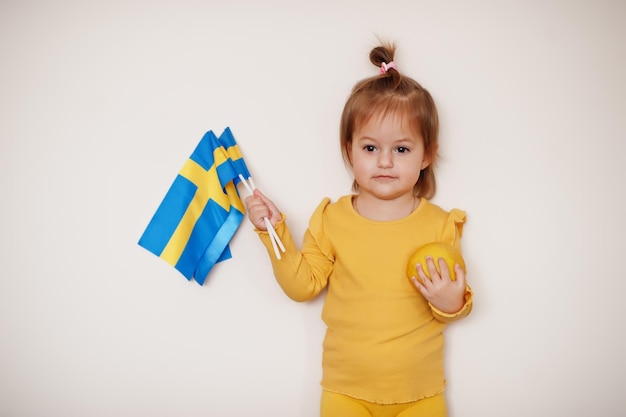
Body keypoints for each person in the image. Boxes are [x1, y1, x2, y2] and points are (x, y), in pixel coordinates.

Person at [244, 42, 473, 417]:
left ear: (426, 155)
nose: (384, 161)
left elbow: (457, 302)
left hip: (421, 394)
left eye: (401, 150)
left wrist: (452, 303)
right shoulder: (332, 219)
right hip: (345, 393)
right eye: (370, 148)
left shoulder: (439, 225)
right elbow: (302, 287)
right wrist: (274, 231)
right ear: (349, 150)